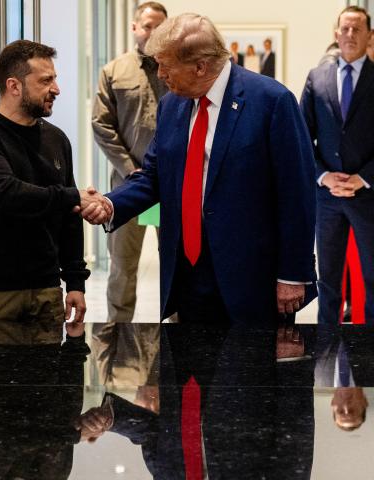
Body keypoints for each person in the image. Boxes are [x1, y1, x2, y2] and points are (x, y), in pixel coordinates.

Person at [82, 14, 316, 326]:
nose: (161, 74)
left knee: (250, 371)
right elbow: (154, 175)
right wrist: (110, 203)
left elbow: (296, 193)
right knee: (190, 369)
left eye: (166, 65)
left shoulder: (271, 101)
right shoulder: (172, 105)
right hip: (187, 272)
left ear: (200, 66)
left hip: (250, 276)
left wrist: (293, 274)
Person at [0, 40, 110, 344]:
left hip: (46, 294)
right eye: (45, 81)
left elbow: (68, 217)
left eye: (55, 78)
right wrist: (73, 196)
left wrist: (75, 281)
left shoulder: (57, 139)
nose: (56, 89)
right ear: (14, 86)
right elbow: (7, 194)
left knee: (48, 391)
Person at [92, 2, 168, 324]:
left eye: (160, 27)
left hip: (172, 189)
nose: (153, 32)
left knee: (179, 267)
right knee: (123, 268)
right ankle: (117, 340)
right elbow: (101, 124)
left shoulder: (177, 69)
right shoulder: (113, 71)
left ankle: (184, 346)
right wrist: (129, 169)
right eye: (148, 25)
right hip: (128, 188)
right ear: (135, 27)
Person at [300, 6, 374, 325]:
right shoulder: (318, 78)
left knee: (372, 278)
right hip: (328, 198)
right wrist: (323, 175)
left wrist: (363, 178)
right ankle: (326, 350)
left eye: (358, 29)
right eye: (345, 29)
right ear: (335, 33)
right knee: (328, 281)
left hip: (368, 197)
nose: (350, 35)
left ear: (369, 36)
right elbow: (303, 137)